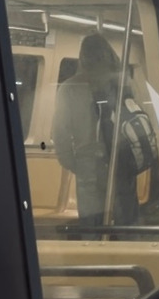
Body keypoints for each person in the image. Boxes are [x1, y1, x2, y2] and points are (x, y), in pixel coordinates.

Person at [53, 34, 140, 233]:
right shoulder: (125, 84)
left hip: (88, 167)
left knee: (91, 231)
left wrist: (76, 164)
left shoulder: (69, 89)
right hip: (122, 163)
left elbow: (60, 135)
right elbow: (143, 119)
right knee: (127, 230)